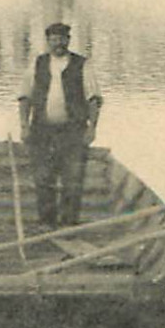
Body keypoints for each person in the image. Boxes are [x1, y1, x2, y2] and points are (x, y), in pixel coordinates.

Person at [17, 22, 103, 228]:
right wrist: (24, 125)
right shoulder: (37, 64)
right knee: (43, 177)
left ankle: (69, 224)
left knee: (72, 179)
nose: (58, 43)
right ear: (48, 41)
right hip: (41, 130)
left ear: (68, 40)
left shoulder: (82, 64)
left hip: (72, 131)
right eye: (54, 39)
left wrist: (92, 127)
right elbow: (24, 97)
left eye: (62, 39)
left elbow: (94, 99)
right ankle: (46, 223)